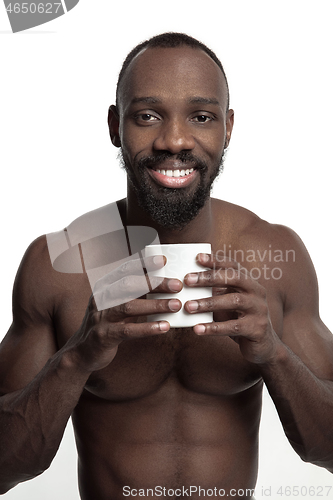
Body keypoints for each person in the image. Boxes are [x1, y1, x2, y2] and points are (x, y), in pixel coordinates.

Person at [0, 32, 333, 500]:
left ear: (228, 128)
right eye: (147, 116)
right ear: (116, 126)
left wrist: (273, 353)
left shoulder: (276, 256)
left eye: (201, 117)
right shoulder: (59, 266)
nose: (174, 139)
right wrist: (77, 359)